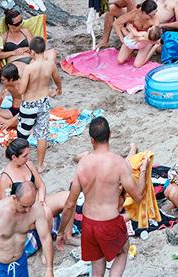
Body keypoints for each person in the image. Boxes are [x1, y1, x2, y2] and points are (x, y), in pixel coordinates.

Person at [58, 118, 142, 277]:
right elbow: (137, 195)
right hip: (109, 221)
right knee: (122, 253)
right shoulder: (118, 162)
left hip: (89, 223)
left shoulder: (83, 164)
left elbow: (70, 204)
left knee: (97, 266)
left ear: (91, 140)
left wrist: (61, 232)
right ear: (110, 134)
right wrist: (143, 172)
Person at [16, 38, 61, 169]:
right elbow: (57, 79)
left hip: (29, 104)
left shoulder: (29, 68)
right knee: (42, 135)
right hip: (43, 102)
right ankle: (40, 165)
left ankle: (20, 163)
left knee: (23, 134)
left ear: (32, 52)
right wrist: (59, 89)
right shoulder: (50, 64)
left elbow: (21, 90)